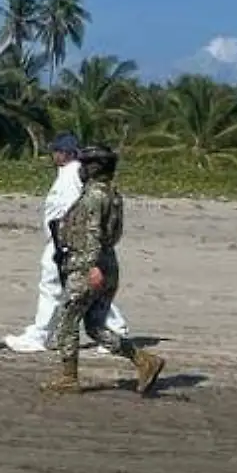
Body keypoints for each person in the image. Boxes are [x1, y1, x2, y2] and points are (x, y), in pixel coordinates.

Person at [42, 145, 165, 396]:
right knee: (95, 326)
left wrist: (91, 266)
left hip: (89, 265)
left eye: (86, 164)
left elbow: (92, 233)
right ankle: (143, 360)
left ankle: (68, 377)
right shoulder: (113, 195)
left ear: (95, 167)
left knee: (68, 320)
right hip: (108, 262)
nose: (82, 169)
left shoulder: (93, 197)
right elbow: (113, 233)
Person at [6, 133, 129, 353]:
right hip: (64, 239)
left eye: (56, 151)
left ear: (65, 153)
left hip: (65, 240)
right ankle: (114, 329)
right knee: (78, 289)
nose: (53, 155)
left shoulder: (72, 173)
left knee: (54, 286)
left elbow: (74, 208)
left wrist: (66, 241)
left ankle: (40, 335)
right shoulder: (72, 173)